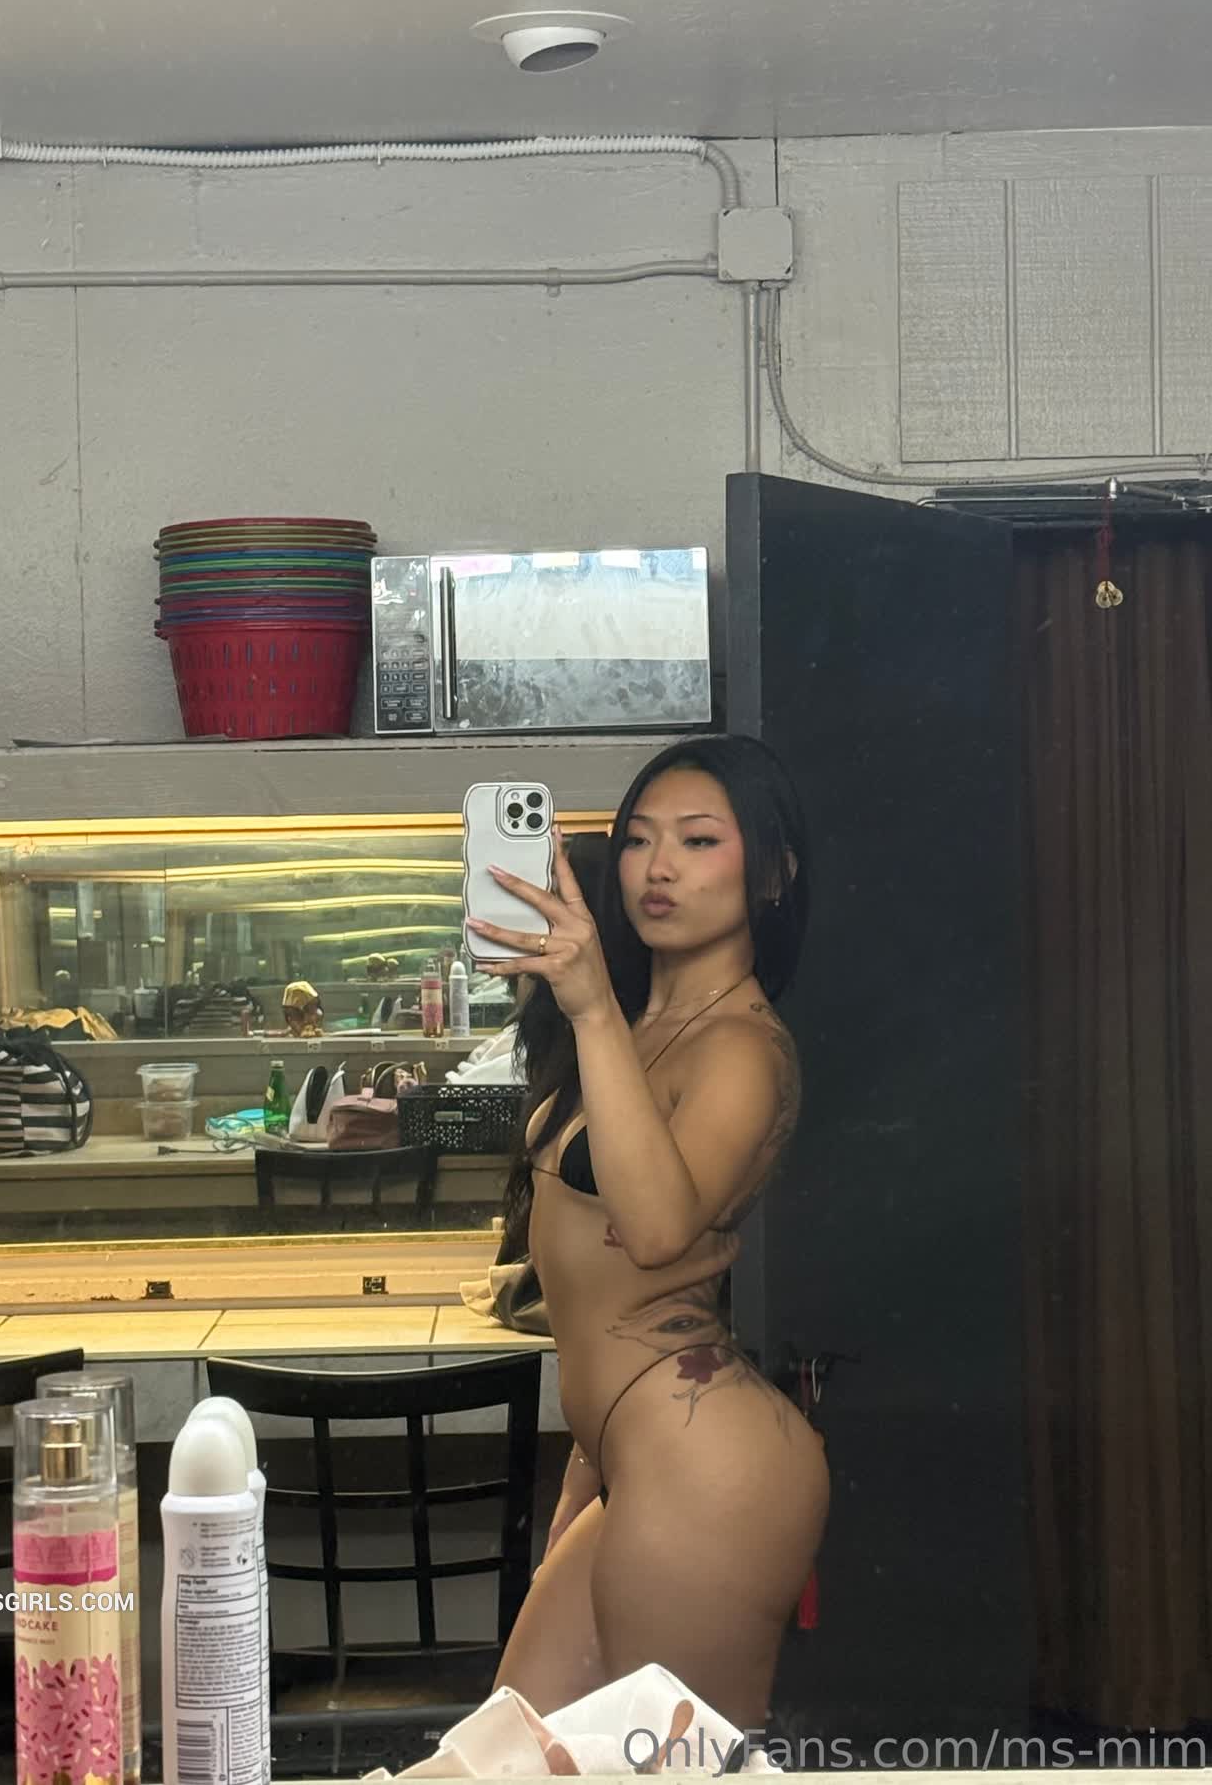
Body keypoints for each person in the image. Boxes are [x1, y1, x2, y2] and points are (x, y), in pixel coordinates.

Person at [472, 735, 828, 1728]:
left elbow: (660, 1233)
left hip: (709, 1465)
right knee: (511, 1752)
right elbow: (607, 1297)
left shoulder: (740, 1047)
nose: (656, 867)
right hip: (633, 1454)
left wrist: (588, 1004)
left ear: (772, 874)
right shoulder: (638, 1029)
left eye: (698, 840)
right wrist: (584, 1477)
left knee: (672, 1766)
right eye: (637, 839)